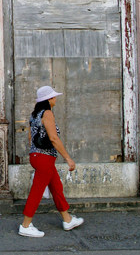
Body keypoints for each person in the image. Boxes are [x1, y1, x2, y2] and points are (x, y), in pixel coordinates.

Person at [18, 85, 84, 237]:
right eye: (54, 97)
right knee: (37, 191)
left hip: (36, 156)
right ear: (48, 100)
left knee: (56, 187)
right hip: (44, 158)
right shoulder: (47, 113)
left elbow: (30, 138)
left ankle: (67, 220)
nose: (55, 99)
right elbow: (54, 138)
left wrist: (37, 153)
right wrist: (68, 158)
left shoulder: (34, 114)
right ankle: (25, 225)